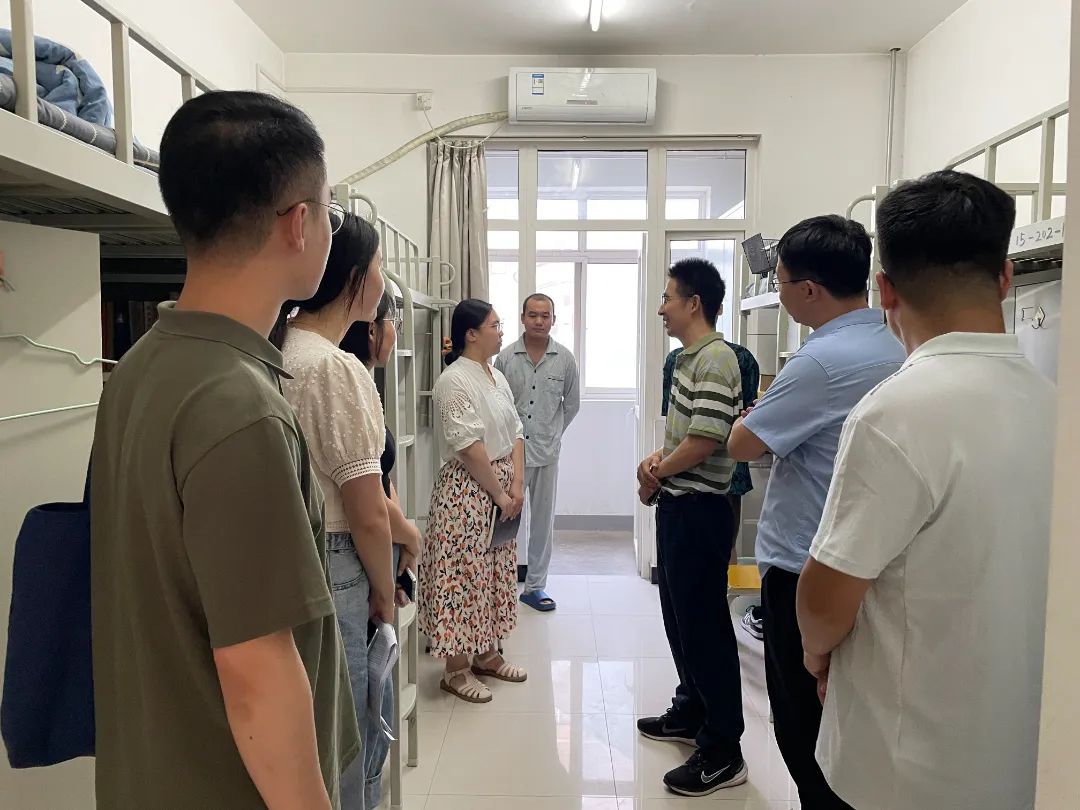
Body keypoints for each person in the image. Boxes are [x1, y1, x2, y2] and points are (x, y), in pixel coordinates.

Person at [90, 91, 358, 809]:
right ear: (298, 224)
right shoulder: (239, 408)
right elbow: (256, 673)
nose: (327, 230)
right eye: (328, 213)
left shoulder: (139, 367)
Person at [797, 171, 1055, 810]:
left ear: (884, 289)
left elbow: (826, 598)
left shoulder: (894, 414)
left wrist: (817, 654)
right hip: (1031, 756)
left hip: (908, 765)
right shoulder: (1057, 406)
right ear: (1005, 277)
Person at [726, 215, 904, 808]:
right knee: (852, 719)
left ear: (808, 289)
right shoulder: (896, 344)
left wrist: (754, 417)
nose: (777, 291)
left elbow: (742, 443)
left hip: (805, 563)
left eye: (779, 281)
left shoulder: (818, 362)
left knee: (802, 721)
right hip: (877, 559)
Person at [274, 213, 404, 810]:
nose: (384, 281)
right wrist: (384, 589)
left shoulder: (282, 346)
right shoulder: (333, 366)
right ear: (354, 278)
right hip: (337, 558)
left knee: (316, 722)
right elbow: (367, 512)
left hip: (295, 550)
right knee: (352, 723)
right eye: (379, 267)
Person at [636, 258, 748, 797]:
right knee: (680, 621)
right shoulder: (686, 359)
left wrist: (655, 473)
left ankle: (724, 749)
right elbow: (685, 435)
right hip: (680, 505)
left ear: (693, 303)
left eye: (667, 297)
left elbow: (705, 441)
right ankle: (692, 710)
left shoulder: (717, 360)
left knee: (704, 628)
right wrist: (656, 462)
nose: (662, 308)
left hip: (703, 509)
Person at [420, 299, 527, 703]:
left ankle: (487, 654)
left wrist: (517, 484)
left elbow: (516, 430)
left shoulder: (496, 376)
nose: (501, 331)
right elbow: (468, 445)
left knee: (492, 574)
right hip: (467, 493)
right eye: (494, 325)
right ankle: (456, 669)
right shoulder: (453, 380)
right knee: (463, 577)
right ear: (471, 334)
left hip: (502, 491)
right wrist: (499, 492)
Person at [662, 337, 761, 638]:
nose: (663, 313)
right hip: (712, 467)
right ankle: (720, 616)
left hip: (717, 470)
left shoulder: (737, 359)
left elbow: (748, 416)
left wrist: (659, 471)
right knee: (717, 550)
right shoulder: (678, 359)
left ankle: (723, 615)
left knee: (720, 548)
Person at [495, 293, 581, 612]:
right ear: (522, 318)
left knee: (543, 523)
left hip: (547, 453)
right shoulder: (505, 359)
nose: (539, 321)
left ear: (553, 320)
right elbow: (498, 405)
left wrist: (553, 433)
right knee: (505, 520)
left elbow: (571, 404)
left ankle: (535, 587)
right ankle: (501, 584)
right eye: (533, 315)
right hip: (511, 455)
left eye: (545, 316)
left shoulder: (565, 359)